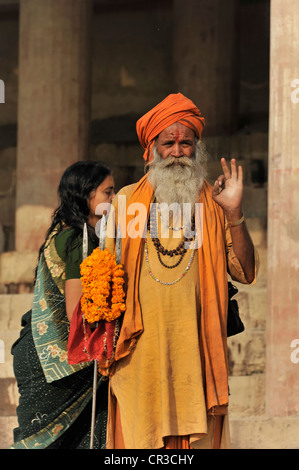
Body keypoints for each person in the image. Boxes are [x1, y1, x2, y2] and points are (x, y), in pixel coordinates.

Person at [104, 93, 259, 449]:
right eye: (168, 143)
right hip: (139, 359)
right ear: (151, 150)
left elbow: (246, 272)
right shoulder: (126, 203)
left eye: (185, 143)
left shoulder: (215, 205)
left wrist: (235, 214)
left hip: (196, 358)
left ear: (197, 148)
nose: (177, 152)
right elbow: (105, 278)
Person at [10, 161, 115, 449]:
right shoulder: (79, 240)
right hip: (56, 365)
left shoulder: (62, 231)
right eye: (108, 193)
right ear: (86, 196)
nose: (114, 201)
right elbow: (77, 311)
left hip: (40, 355)